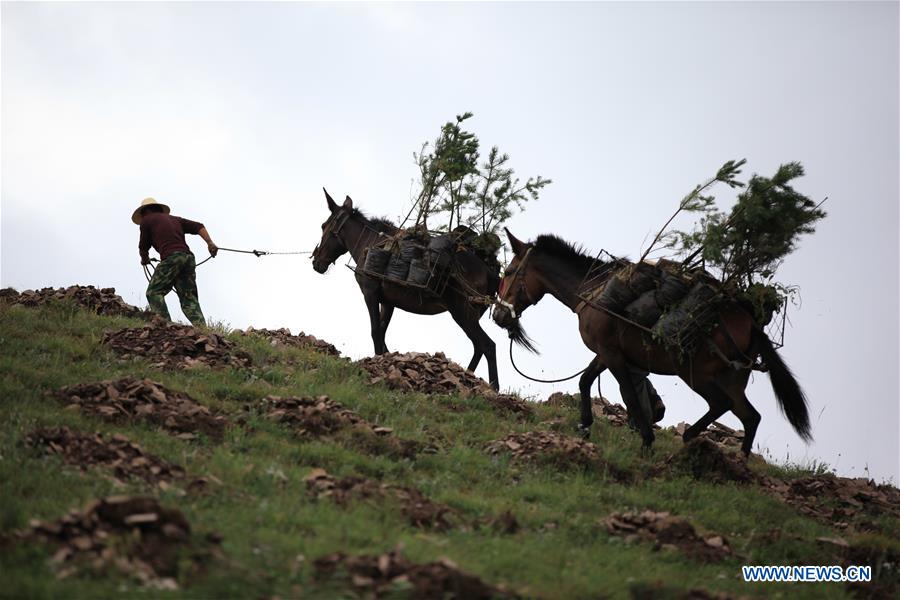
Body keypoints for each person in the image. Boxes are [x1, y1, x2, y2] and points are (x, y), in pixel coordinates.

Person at [132, 197, 218, 326]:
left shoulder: (146, 220)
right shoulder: (175, 219)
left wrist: (144, 259)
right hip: (188, 258)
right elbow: (199, 226)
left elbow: (143, 245)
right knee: (188, 298)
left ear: (145, 211)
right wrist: (210, 243)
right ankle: (202, 329)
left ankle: (164, 325)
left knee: (154, 292)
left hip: (171, 257)